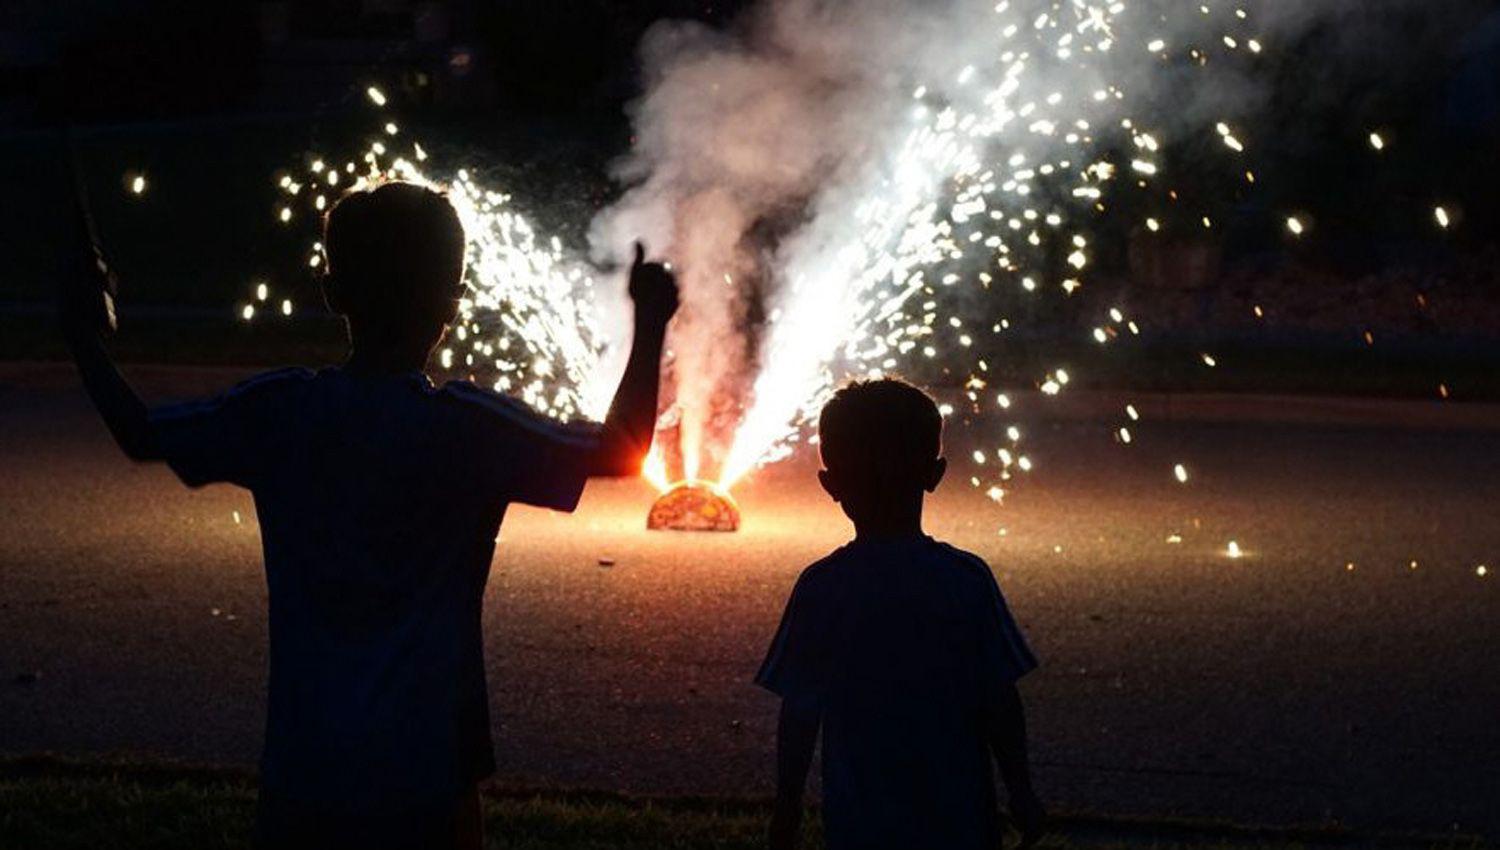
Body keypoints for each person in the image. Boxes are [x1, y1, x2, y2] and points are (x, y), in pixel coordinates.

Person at [59, 180, 679, 849]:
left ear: (333, 294)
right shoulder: (470, 428)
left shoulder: (280, 412)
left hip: (306, 764)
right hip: (427, 772)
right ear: (453, 301)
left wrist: (83, 334)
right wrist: (650, 322)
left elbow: (140, 432)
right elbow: (624, 450)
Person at [757, 378, 1045, 850]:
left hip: (860, 818)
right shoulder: (966, 580)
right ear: (935, 474)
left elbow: (800, 710)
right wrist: (1022, 791)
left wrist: (786, 808)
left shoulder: (823, 587)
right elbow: (999, 697)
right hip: (959, 816)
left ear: (830, 485)